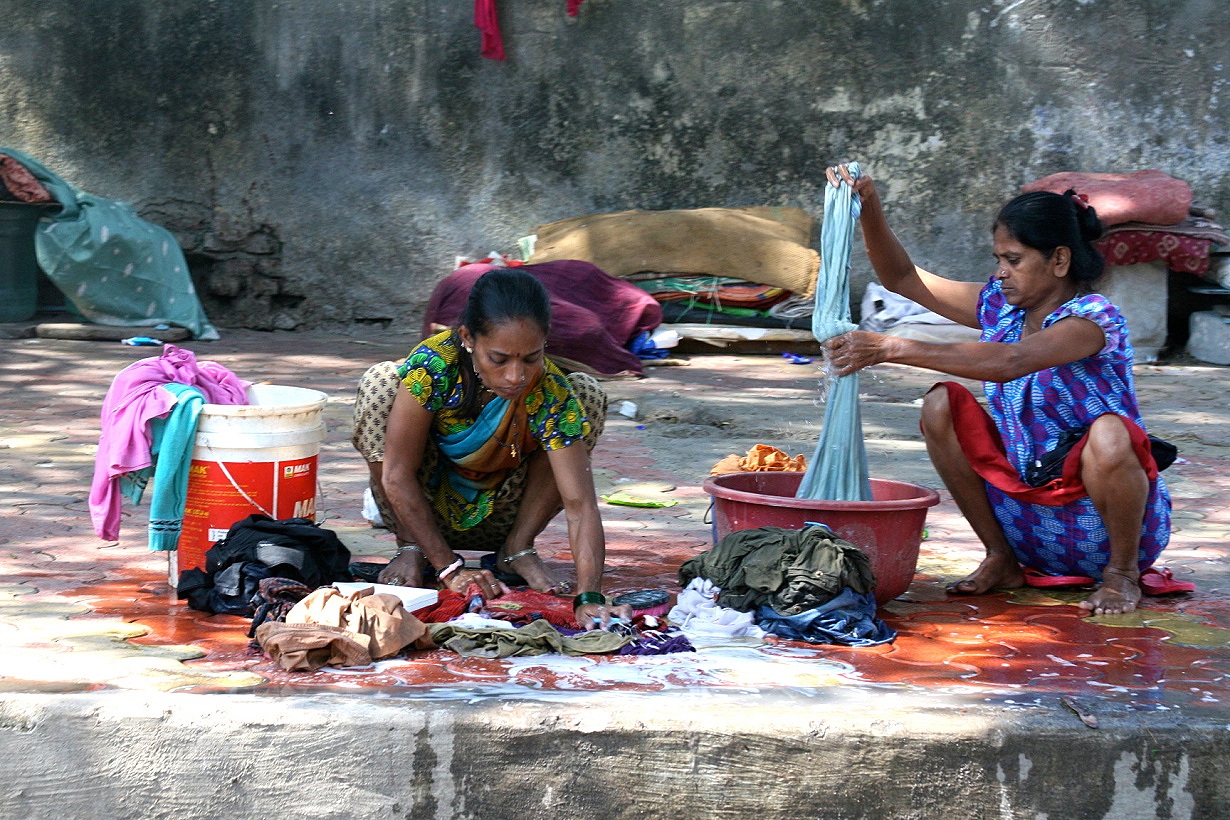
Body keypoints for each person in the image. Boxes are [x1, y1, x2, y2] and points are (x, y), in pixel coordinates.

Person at [821, 164, 1172, 616]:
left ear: (1059, 261)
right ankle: (1001, 557)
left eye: (1014, 260)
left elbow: (1012, 361)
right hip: (1027, 520)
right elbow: (904, 279)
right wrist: (868, 206)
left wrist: (891, 346)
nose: (1001, 272)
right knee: (940, 403)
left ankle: (1122, 576)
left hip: (1103, 528)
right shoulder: (998, 306)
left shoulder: (1093, 319)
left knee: (1109, 433)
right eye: (998, 260)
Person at [351, 268, 632, 629]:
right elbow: (396, 476)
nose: (516, 376)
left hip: (502, 512)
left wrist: (589, 595)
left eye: (531, 358)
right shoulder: (434, 366)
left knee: (586, 392)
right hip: (421, 511)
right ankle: (411, 547)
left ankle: (518, 548)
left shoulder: (549, 390)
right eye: (499, 360)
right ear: (468, 337)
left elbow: (580, 504)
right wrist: (449, 569)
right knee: (380, 382)